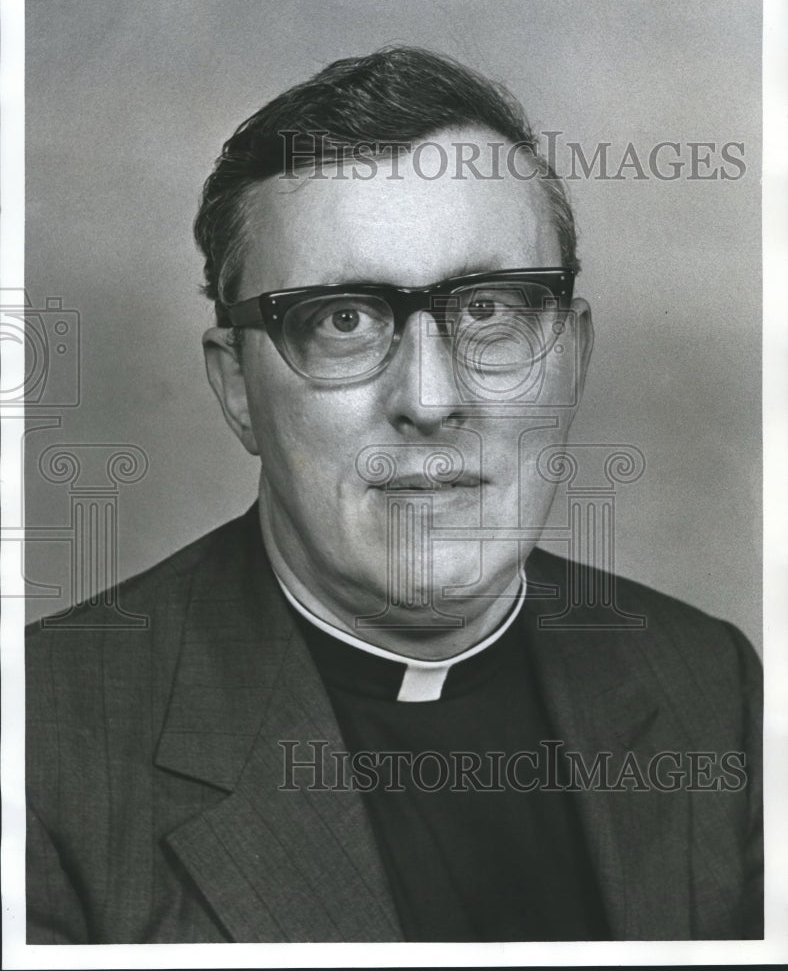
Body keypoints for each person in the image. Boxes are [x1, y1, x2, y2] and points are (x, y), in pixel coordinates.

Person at [26, 46, 762, 944]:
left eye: (489, 309)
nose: (429, 399)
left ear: (571, 355)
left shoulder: (707, 681)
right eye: (343, 318)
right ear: (234, 389)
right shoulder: (37, 745)